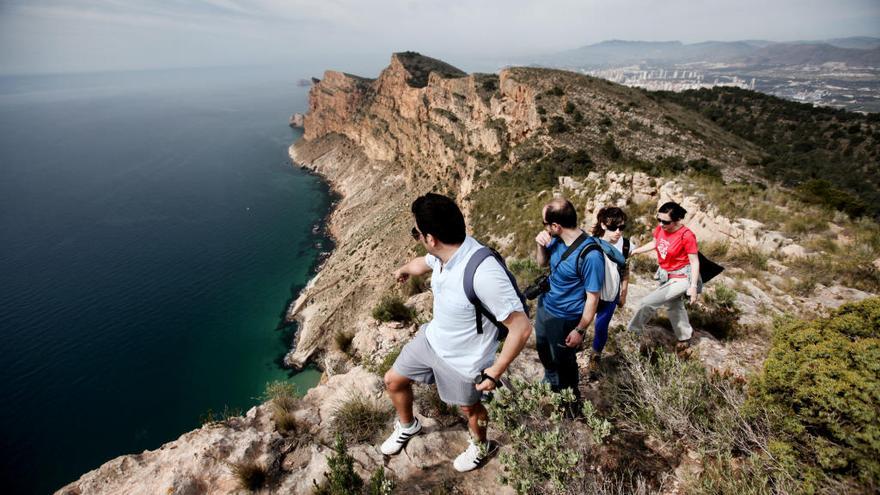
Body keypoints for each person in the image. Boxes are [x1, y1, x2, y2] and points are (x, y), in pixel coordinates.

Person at [380, 193, 533, 472]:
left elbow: (521, 328)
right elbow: (422, 263)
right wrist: (404, 269)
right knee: (393, 381)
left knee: (470, 410)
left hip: (465, 361)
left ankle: (480, 445)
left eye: (417, 233)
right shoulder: (442, 254)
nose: (417, 238)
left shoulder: (482, 272)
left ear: (431, 238)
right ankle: (408, 425)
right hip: (432, 340)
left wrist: (495, 371)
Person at [533, 198, 623, 408]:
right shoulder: (556, 239)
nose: (545, 228)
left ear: (556, 226)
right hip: (545, 306)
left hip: (565, 317)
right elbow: (541, 263)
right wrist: (540, 245)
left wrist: (580, 330)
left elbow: (593, 298)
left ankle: (570, 405)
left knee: (565, 363)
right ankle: (551, 381)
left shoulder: (590, 256)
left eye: (545, 223)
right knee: (543, 349)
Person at [627, 201, 700, 354]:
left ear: (677, 220)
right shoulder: (661, 229)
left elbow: (694, 262)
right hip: (666, 275)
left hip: (682, 277)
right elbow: (655, 243)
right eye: (658, 219)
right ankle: (685, 336)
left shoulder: (687, 236)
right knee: (674, 305)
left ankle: (632, 333)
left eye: (665, 221)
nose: (661, 224)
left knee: (647, 303)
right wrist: (636, 251)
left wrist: (693, 287)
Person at [587, 206, 635, 380]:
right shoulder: (591, 242)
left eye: (621, 228)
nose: (618, 232)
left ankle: (595, 358)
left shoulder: (626, 245)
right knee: (580, 324)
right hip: (590, 293)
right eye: (614, 227)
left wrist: (623, 293)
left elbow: (625, 269)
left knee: (601, 328)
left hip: (611, 294)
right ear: (603, 224)